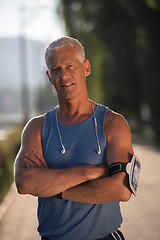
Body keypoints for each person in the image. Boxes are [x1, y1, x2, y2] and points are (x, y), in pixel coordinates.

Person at [14, 36, 134, 240]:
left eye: (70, 66)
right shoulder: (36, 128)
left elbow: (121, 189)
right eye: (56, 70)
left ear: (86, 68)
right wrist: (90, 172)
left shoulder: (113, 124)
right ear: (49, 77)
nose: (63, 75)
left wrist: (53, 186)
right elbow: (24, 183)